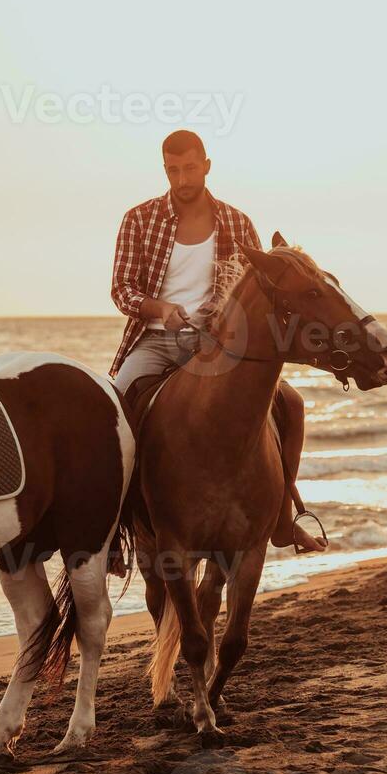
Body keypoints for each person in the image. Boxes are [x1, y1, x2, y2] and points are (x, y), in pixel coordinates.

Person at [110, 129, 327, 554]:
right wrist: (159, 309)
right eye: (173, 170)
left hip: (217, 347)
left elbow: (260, 293)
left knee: (292, 405)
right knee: (113, 414)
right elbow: (121, 288)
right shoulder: (139, 218)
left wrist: (216, 323)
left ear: (206, 165)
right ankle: (116, 531)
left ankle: (282, 519)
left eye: (190, 168)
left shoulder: (237, 222)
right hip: (153, 341)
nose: (182, 178)